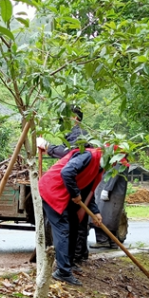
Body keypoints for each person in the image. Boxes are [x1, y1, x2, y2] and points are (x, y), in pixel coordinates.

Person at [39, 147, 105, 286]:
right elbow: (67, 172)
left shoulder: (100, 167)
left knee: (75, 224)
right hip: (53, 189)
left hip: (65, 192)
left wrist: (95, 211)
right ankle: (62, 272)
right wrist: (75, 194)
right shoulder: (88, 156)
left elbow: (87, 189)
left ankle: (68, 263)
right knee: (63, 228)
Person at [37, 106, 90, 265]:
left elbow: (69, 153)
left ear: (75, 118)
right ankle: (75, 257)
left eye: (65, 117)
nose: (62, 120)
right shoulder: (74, 134)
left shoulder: (80, 135)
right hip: (77, 181)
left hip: (77, 182)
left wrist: (47, 147)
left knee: (75, 223)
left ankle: (74, 258)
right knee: (76, 222)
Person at [92, 161, 129, 249]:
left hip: (110, 193)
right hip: (111, 193)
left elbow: (113, 174)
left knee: (101, 217)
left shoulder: (119, 161)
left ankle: (104, 241)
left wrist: (107, 189)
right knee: (110, 218)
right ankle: (111, 242)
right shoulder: (115, 161)